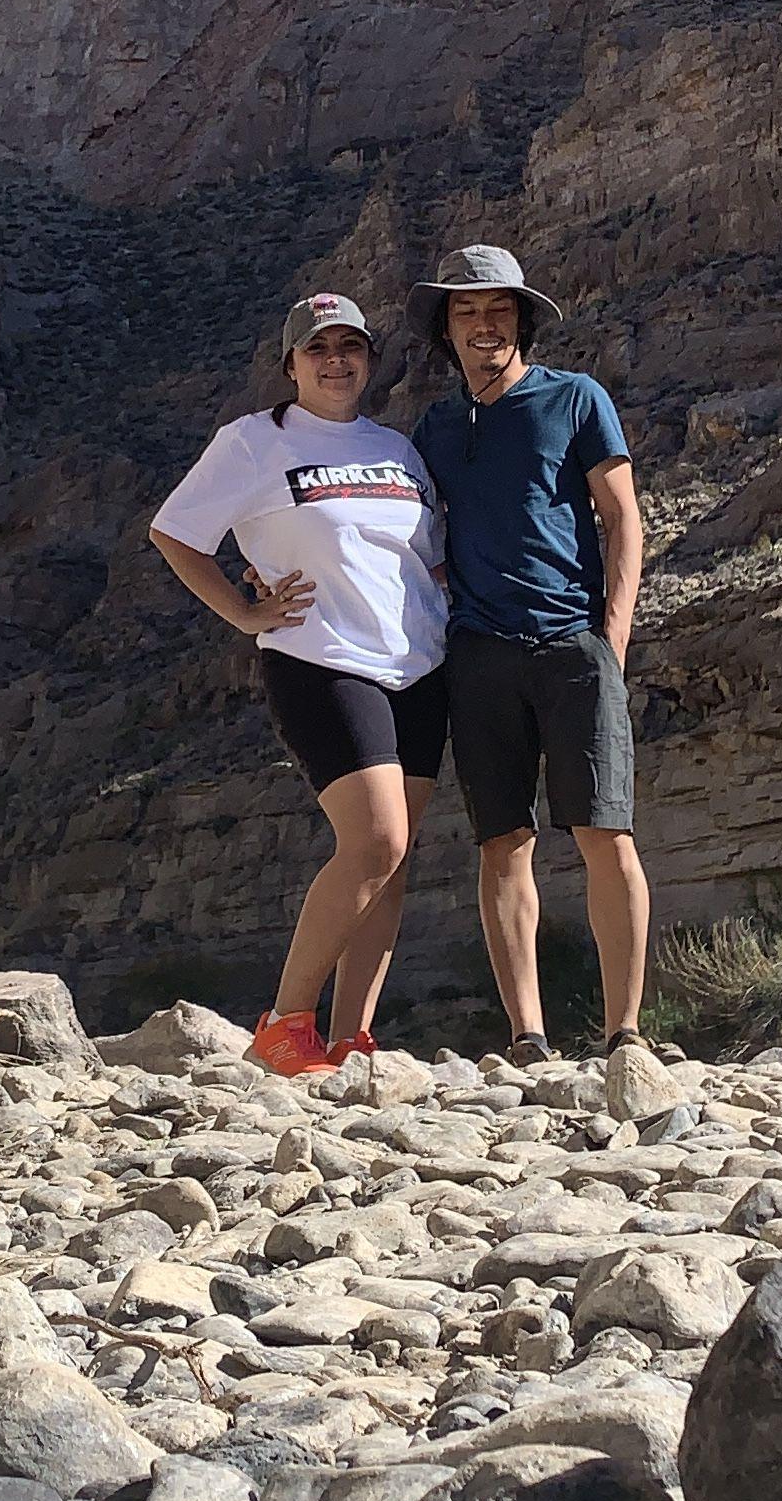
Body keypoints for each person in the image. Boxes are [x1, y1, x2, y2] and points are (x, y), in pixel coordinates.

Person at [146, 293, 450, 1078]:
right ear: (291, 365)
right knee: (374, 839)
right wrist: (247, 612)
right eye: (319, 349)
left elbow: (426, 557)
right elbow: (176, 533)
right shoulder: (253, 443)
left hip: (416, 664)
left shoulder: (398, 452)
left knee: (394, 857)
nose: (336, 360)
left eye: (351, 346)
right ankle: (285, 1024)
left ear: (371, 362)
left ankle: (352, 1040)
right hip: (320, 658)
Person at [412, 244, 652, 1065]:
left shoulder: (576, 399)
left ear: (523, 319)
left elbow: (623, 518)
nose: (485, 325)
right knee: (503, 841)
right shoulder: (437, 428)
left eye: (498, 310)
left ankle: (625, 1033)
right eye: (467, 312)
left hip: (574, 644)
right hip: (478, 653)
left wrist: (611, 635)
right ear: (446, 329)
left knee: (605, 833)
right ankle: (528, 1036)